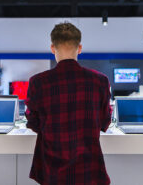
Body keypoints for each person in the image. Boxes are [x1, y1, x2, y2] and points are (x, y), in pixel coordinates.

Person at [25, 22, 112, 185]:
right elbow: (104, 121)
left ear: (53, 48)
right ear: (79, 48)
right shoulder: (100, 81)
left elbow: (33, 122)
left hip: (52, 171)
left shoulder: (38, 82)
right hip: (89, 169)